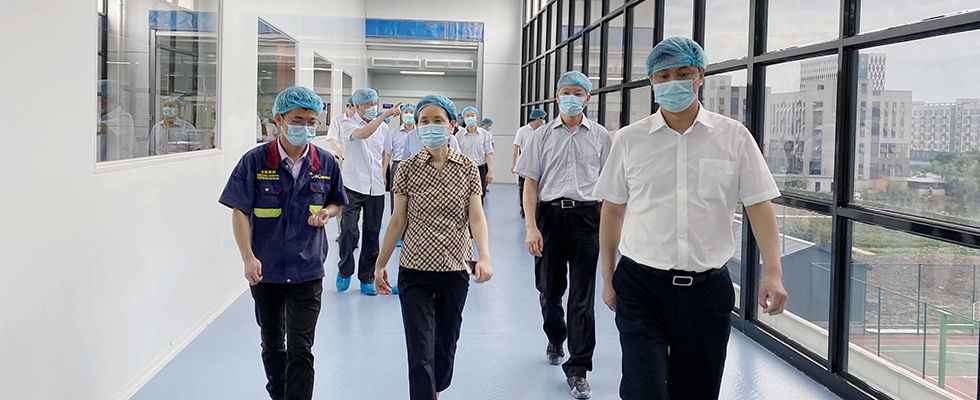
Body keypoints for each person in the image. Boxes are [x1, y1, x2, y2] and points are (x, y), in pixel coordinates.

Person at [592, 37, 788, 400]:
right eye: (663, 75)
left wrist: (773, 272)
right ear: (652, 82)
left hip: (707, 291)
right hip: (641, 286)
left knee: (698, 391)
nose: (673, 82)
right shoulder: (630, 140)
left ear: (701, 75)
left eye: (683, 73)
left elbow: (759, 205)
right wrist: (607, 277)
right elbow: (613, 209)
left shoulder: (733, 137)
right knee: (644, 389)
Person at [218, 86, 347, 400]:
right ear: (279, 119)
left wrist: (327, 213)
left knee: (301, 347)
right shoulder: (255, 161)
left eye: (312, 121)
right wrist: (248, 257)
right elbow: (239, 211)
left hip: (307, 268)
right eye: (298, 120)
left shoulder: (325, 163)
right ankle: (278, 394)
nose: (306, 127)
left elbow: (335, 202)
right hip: (267, 269)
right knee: (273, 343)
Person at [374, 94, 493, 400]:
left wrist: (484, 257)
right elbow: (397, 220)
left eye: (438, 120)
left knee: (446, 343)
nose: (430, 126)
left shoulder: (468, 168)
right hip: (415, 267)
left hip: (456, 267)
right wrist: (380, 263)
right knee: (419, 348)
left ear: (451, 126)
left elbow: (476, 217)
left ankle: (436, 390)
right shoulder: (406, 169)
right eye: (424, 121)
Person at [514, 71, 611, 399]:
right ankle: (556, 337)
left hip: (587, 218)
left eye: (578, 93)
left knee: (582, 297)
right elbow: (530, 183)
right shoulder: (540, 136)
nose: (572, 98)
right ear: (557, 96)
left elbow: (609, 188)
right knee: (549, 289)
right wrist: (531, 226)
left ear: (587, 98)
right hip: (550, 217)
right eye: (566, 92)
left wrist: (608, 230)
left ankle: (578, 368)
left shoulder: (601, 136)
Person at [337, 88, 399, 296]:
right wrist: (383, 116)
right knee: (348, 230)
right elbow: (363, 134)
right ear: (357, 106)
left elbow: (385, 152)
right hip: (353, 185)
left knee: (372, 233)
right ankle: (345, 270)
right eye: (369, 104)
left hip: (376, 187)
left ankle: (367, 277)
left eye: (375, 103)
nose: (373, 107)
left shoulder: (383, 128)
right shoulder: (348, 123)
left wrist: (383, 172)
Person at [512, 109, 548, 218]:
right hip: (526, 163)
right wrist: (513, 163)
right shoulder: (522, 131)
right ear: (537, 119)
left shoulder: (543, 131)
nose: (544, 121)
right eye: (543, 118)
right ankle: (524, 209)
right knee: (524, 187)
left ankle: (537, 209)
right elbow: (516, 147)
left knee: (538, 187)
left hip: (540, 163)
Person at [456, 106, 494, 201]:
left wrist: (490, 171)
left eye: (472, 115)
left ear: (477, 118)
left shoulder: (484, 134)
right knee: (464, 195)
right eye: (467, 116)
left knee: (480, 194)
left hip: (480, 168)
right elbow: (456, 154)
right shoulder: (458, 135)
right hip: (464, 169)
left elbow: (488, 153)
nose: (470, 118)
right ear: (464, 119)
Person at [97, 80, 136, 161]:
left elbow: (100, 128)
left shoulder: (125, 118)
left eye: (100, 101)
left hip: (120, 166)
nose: (99, 104)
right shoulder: (103, 118)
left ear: (110, 101)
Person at [389, 103, 415, 213]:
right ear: (401, 116)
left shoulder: (419, 133)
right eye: (406, 112)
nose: (409, 114)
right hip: (398, 165)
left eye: (411, 112)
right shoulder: (394, 133)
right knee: (396, 197)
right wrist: (384, 172)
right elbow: (387, 153)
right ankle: (396, 220)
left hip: (416, 166)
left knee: (414, 197)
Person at [327, 96, 356, 163]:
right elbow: (332, 139)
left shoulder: (359, 121)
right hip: (341, 158)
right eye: (356, 108)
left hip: (356, 159)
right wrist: (339, 151)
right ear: (350, 107)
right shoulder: (337, 120)